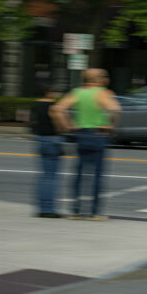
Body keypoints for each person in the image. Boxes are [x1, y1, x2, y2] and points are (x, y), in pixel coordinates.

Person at [51, 68, 121, 221]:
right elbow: (115, 109)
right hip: (98, 134)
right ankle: (95, 213)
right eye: (105, 77)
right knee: (97, 175)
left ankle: (75, 211)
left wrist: (68, 127)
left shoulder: (77, 92)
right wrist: (111, 126)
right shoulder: (103, 93)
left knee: (79, 174)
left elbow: (58, 109)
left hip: (81, 135)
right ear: (100, 79)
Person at [28, 86, 64, 218]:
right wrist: (64, 129)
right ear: (49, 92)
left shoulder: (35, 105)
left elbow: (32, 123)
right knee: (51, 177)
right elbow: (59, 122)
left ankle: (42, 207)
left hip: (40, 140)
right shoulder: (53, 106)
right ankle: (49, 209)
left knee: (43, 176)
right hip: (52, 140)